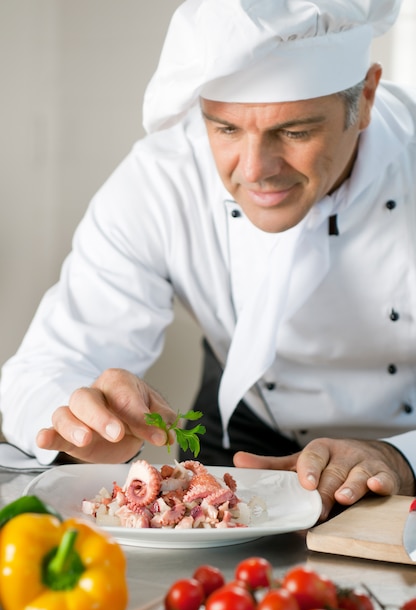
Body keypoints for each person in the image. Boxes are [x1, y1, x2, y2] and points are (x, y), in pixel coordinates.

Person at [0, 0, 415, 521]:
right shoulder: (162, 181)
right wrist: (81, 422)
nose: (257, 169)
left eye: (295, 132)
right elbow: (43, 366)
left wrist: (401, 456)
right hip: (246, 443)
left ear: (368, 96)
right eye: (225, 129)